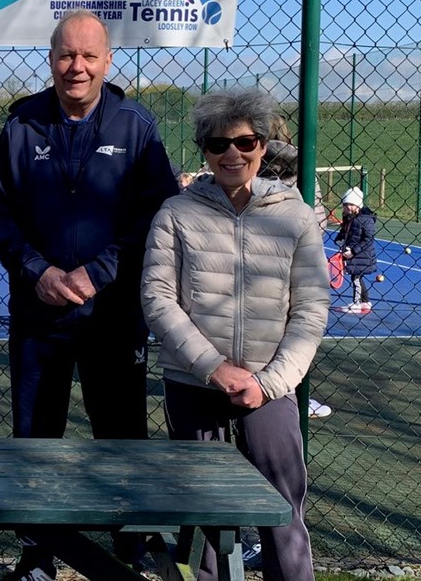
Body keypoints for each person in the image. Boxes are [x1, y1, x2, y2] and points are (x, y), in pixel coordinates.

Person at [0, 10, 178, 580]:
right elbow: (0, 213)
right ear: (50, 59)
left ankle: (132, 540)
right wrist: (36, 270)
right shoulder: (20, 125)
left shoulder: (136, 126)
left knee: (120, 429)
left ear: (107, 61)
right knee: (35, 433)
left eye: (89, 56)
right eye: (67, 55)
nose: (77, 67)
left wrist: (100, 271)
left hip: (112, 314)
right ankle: (37, 550)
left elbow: (157, 215)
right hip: (38, 310)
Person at [141, 88, 329, 581]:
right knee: (208, 513)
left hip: (270, 387)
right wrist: (214, 368)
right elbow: (158, 299)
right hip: (195, 382)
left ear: (262, 146)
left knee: (282, 509)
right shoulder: (176, 214)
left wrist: (266, 382)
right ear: (203, 148)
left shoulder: (295, 216)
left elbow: (311, 308)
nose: (232, 154)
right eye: (218, 143)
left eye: (245, 142)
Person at [257, 118, 332, 422]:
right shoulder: (302, 167)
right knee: (298, 328)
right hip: (294, 257)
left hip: (257, 259)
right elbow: (317, 218)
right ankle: (292, 391)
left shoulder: (248, 161)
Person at [336, 186, 377, 314]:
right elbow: (346, 231)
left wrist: (353, 251)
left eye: (347, 204)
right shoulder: (349, 217)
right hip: (356, 254)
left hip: (362, 255)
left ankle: (357, 303)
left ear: (355, 205)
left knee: (356, 278)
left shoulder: (365, 219)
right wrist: (340, 238)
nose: (344, 207)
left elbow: (368, 239)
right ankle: (366, 302)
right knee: (357, 277)